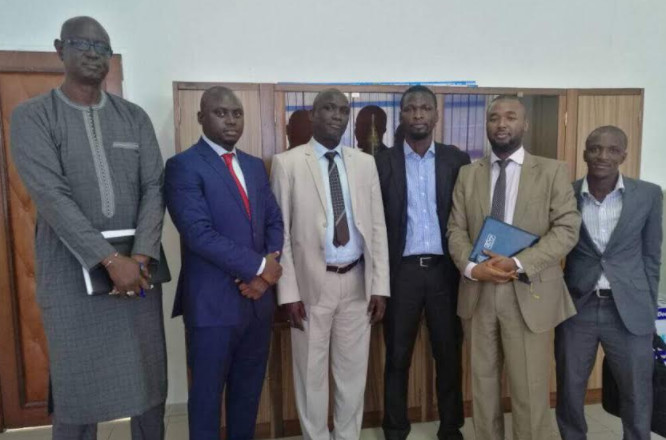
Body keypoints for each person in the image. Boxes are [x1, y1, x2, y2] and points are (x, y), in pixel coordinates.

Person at [10, 16, 167, 439]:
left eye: (103, 48)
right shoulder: (33, 116)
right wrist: (109, 260)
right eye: (83, 44)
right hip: (70, 277)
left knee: (148, 383)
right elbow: (51, 196)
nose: (94, 54)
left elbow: (154, 186)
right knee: (78, 391)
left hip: (138, 276)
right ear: (59, 49)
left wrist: (140, 255)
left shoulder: (133, 118)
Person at [447, 95, 581, 440]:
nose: (501, 124)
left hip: (528, 291)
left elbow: (567, 229)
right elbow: (456, 230)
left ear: (525, 125)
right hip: (478, 293)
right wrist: (472, 269)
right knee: (483, 388)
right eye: (494, 118)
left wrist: (519, 262)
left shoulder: (551, 171)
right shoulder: (468, 174)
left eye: (510, 117)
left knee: (530, 391)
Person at [164, 86, 284, 440]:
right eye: (220, 113)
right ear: (201, 117)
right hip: (212, 306)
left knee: (247, 396)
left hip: (257, 304)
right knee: (206, 400)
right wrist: (259, 268)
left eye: (237, 113)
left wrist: (265, 274)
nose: (231, 120)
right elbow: (198, 234)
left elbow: (274, 221)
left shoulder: (254, 166)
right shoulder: (183, 166)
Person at [270, 88, 390, 440]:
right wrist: (288, 293)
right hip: (310, 285)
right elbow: (281, 234)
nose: (337, 115)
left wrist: (380, 286)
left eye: (343, 110)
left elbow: (377, 228)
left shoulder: (364, 163)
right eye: (328, 108)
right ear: (313, 114)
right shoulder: (288, 163)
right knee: (311, 376)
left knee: (352, 375)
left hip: (356, 283)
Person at [375, 85, 470, 440]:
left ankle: (451, 428)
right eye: (411, 108)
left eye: (425, 108)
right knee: (397, 356)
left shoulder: (455, 160)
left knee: (448, 354)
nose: (418, 114)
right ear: (401, 115)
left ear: (436, 115)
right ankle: (395, 429)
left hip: (446, 272)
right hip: (402, 273)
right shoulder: (381, 162)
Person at [556, 125, 662, 440]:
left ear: (623, 155)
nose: (603, 156)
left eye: (613, 150)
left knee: (637, 392)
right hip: (578, 307)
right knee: (570, 388)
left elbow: (651, 256)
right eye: (595, 149)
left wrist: (648, 309)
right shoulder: (565, 194)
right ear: (584, 153)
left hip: (629, 309)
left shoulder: (648, 194)